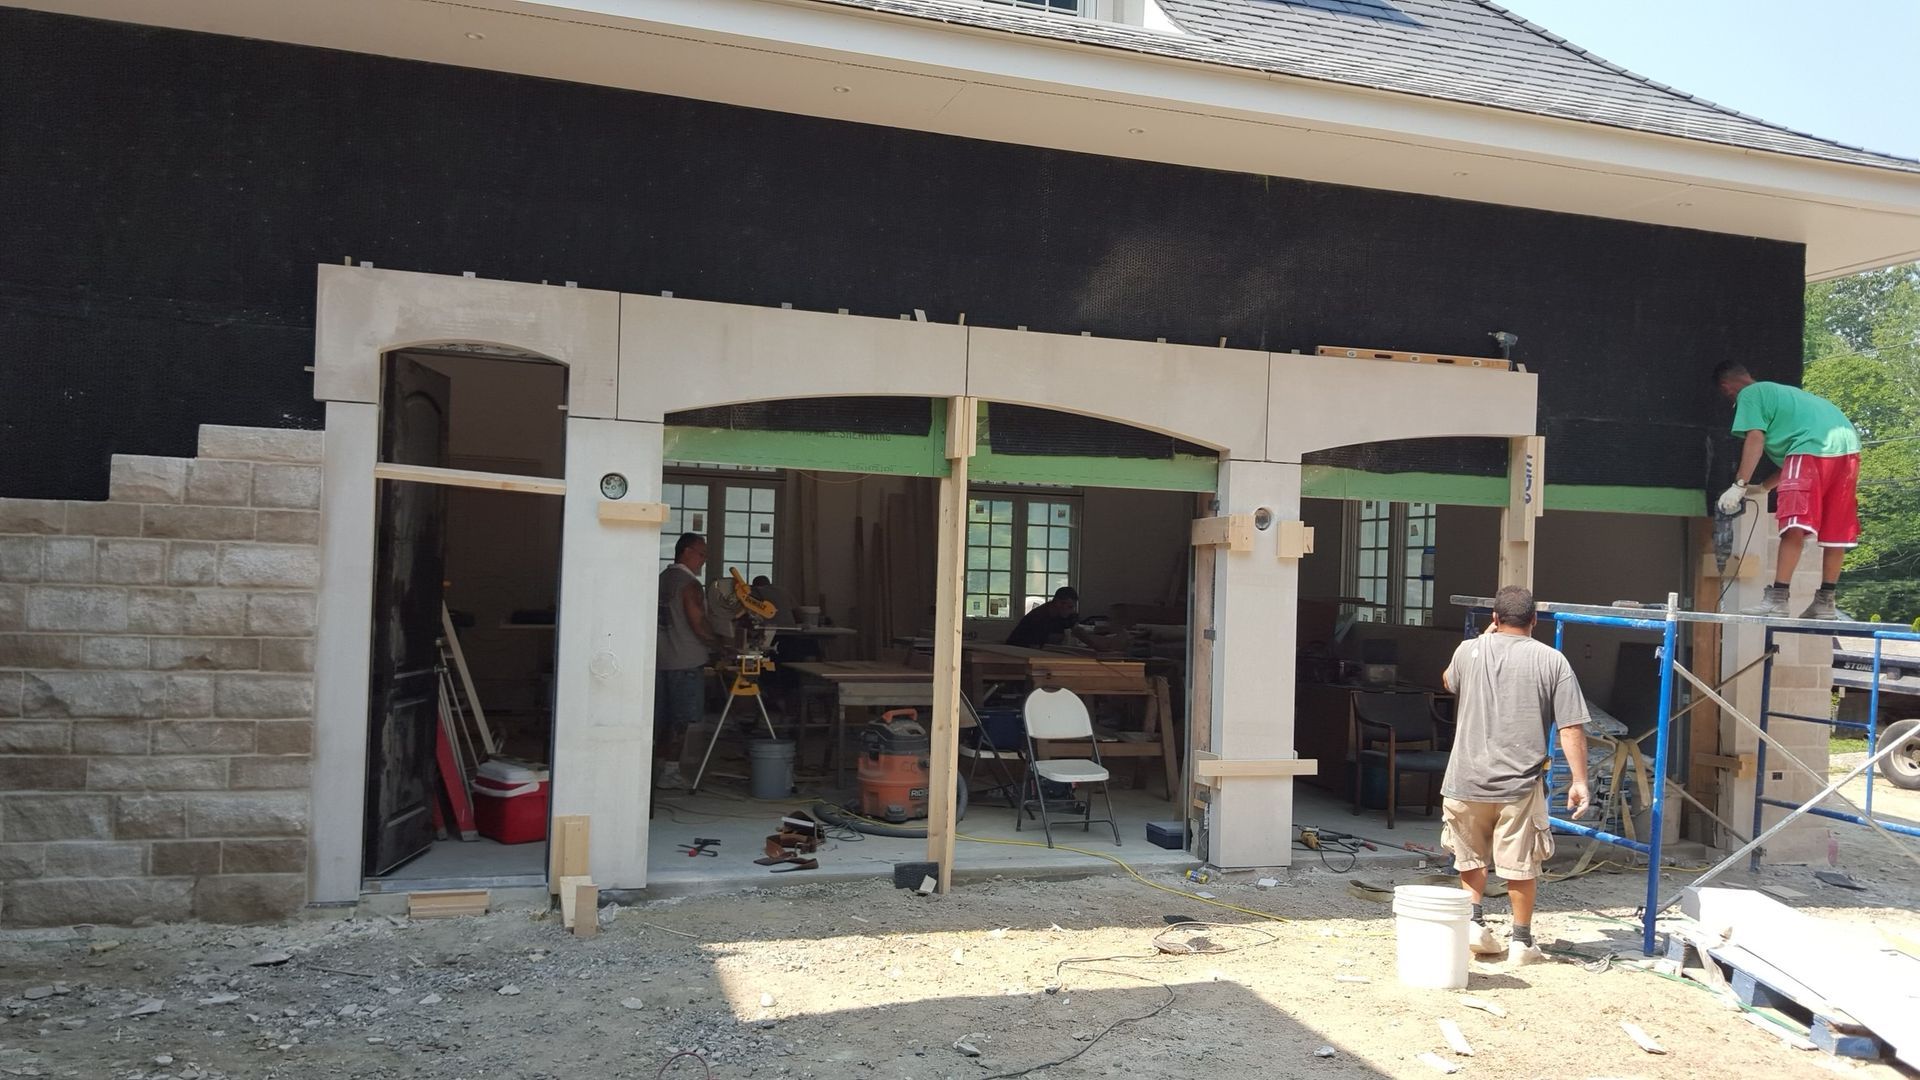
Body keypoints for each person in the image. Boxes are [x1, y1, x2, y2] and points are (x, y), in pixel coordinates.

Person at [1439, 585, 1591, 966]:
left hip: (1466, 778)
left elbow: (1447, 681)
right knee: (1521, 862)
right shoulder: (1552, 660)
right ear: (1535, 621)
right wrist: (1579, 781)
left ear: (1494, 618)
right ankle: (1521, 943)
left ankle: (1474, 924)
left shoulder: (1468, 651)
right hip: (1518, 785)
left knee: (1469, 855)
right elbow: (1571, 726)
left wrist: (1483, 639)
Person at [1713, 361, 1862, 620]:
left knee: (1794, 523)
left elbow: (1756, 439)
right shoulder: (1788, 398)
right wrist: (1763, 488)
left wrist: (1739, 486)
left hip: (1809, 447)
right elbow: (1796, 469)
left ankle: (1778, 600)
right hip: (1847, 449)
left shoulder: (1750, 394)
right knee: (1835, 529)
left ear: (1727, 388)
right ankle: (1826, 602)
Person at [655, 533, 718, 791]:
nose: (703, 561)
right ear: (687, 552)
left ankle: (658, 769)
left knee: (662, 719)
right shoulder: (689, 584)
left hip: (660, 659)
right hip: (686, 659)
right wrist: (720, 645)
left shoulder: (661, 580)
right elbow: (698, 623)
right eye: (702, 554)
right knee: (681, 720)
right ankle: (670, 772)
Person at [1006, 586, 1090, 648]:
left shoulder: (1063, 614)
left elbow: (1075, 627)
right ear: (1059, 603)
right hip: (1020, 652)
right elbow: (1034, 647)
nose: (1072, 611)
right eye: (1070, 607)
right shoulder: (1038, 617)